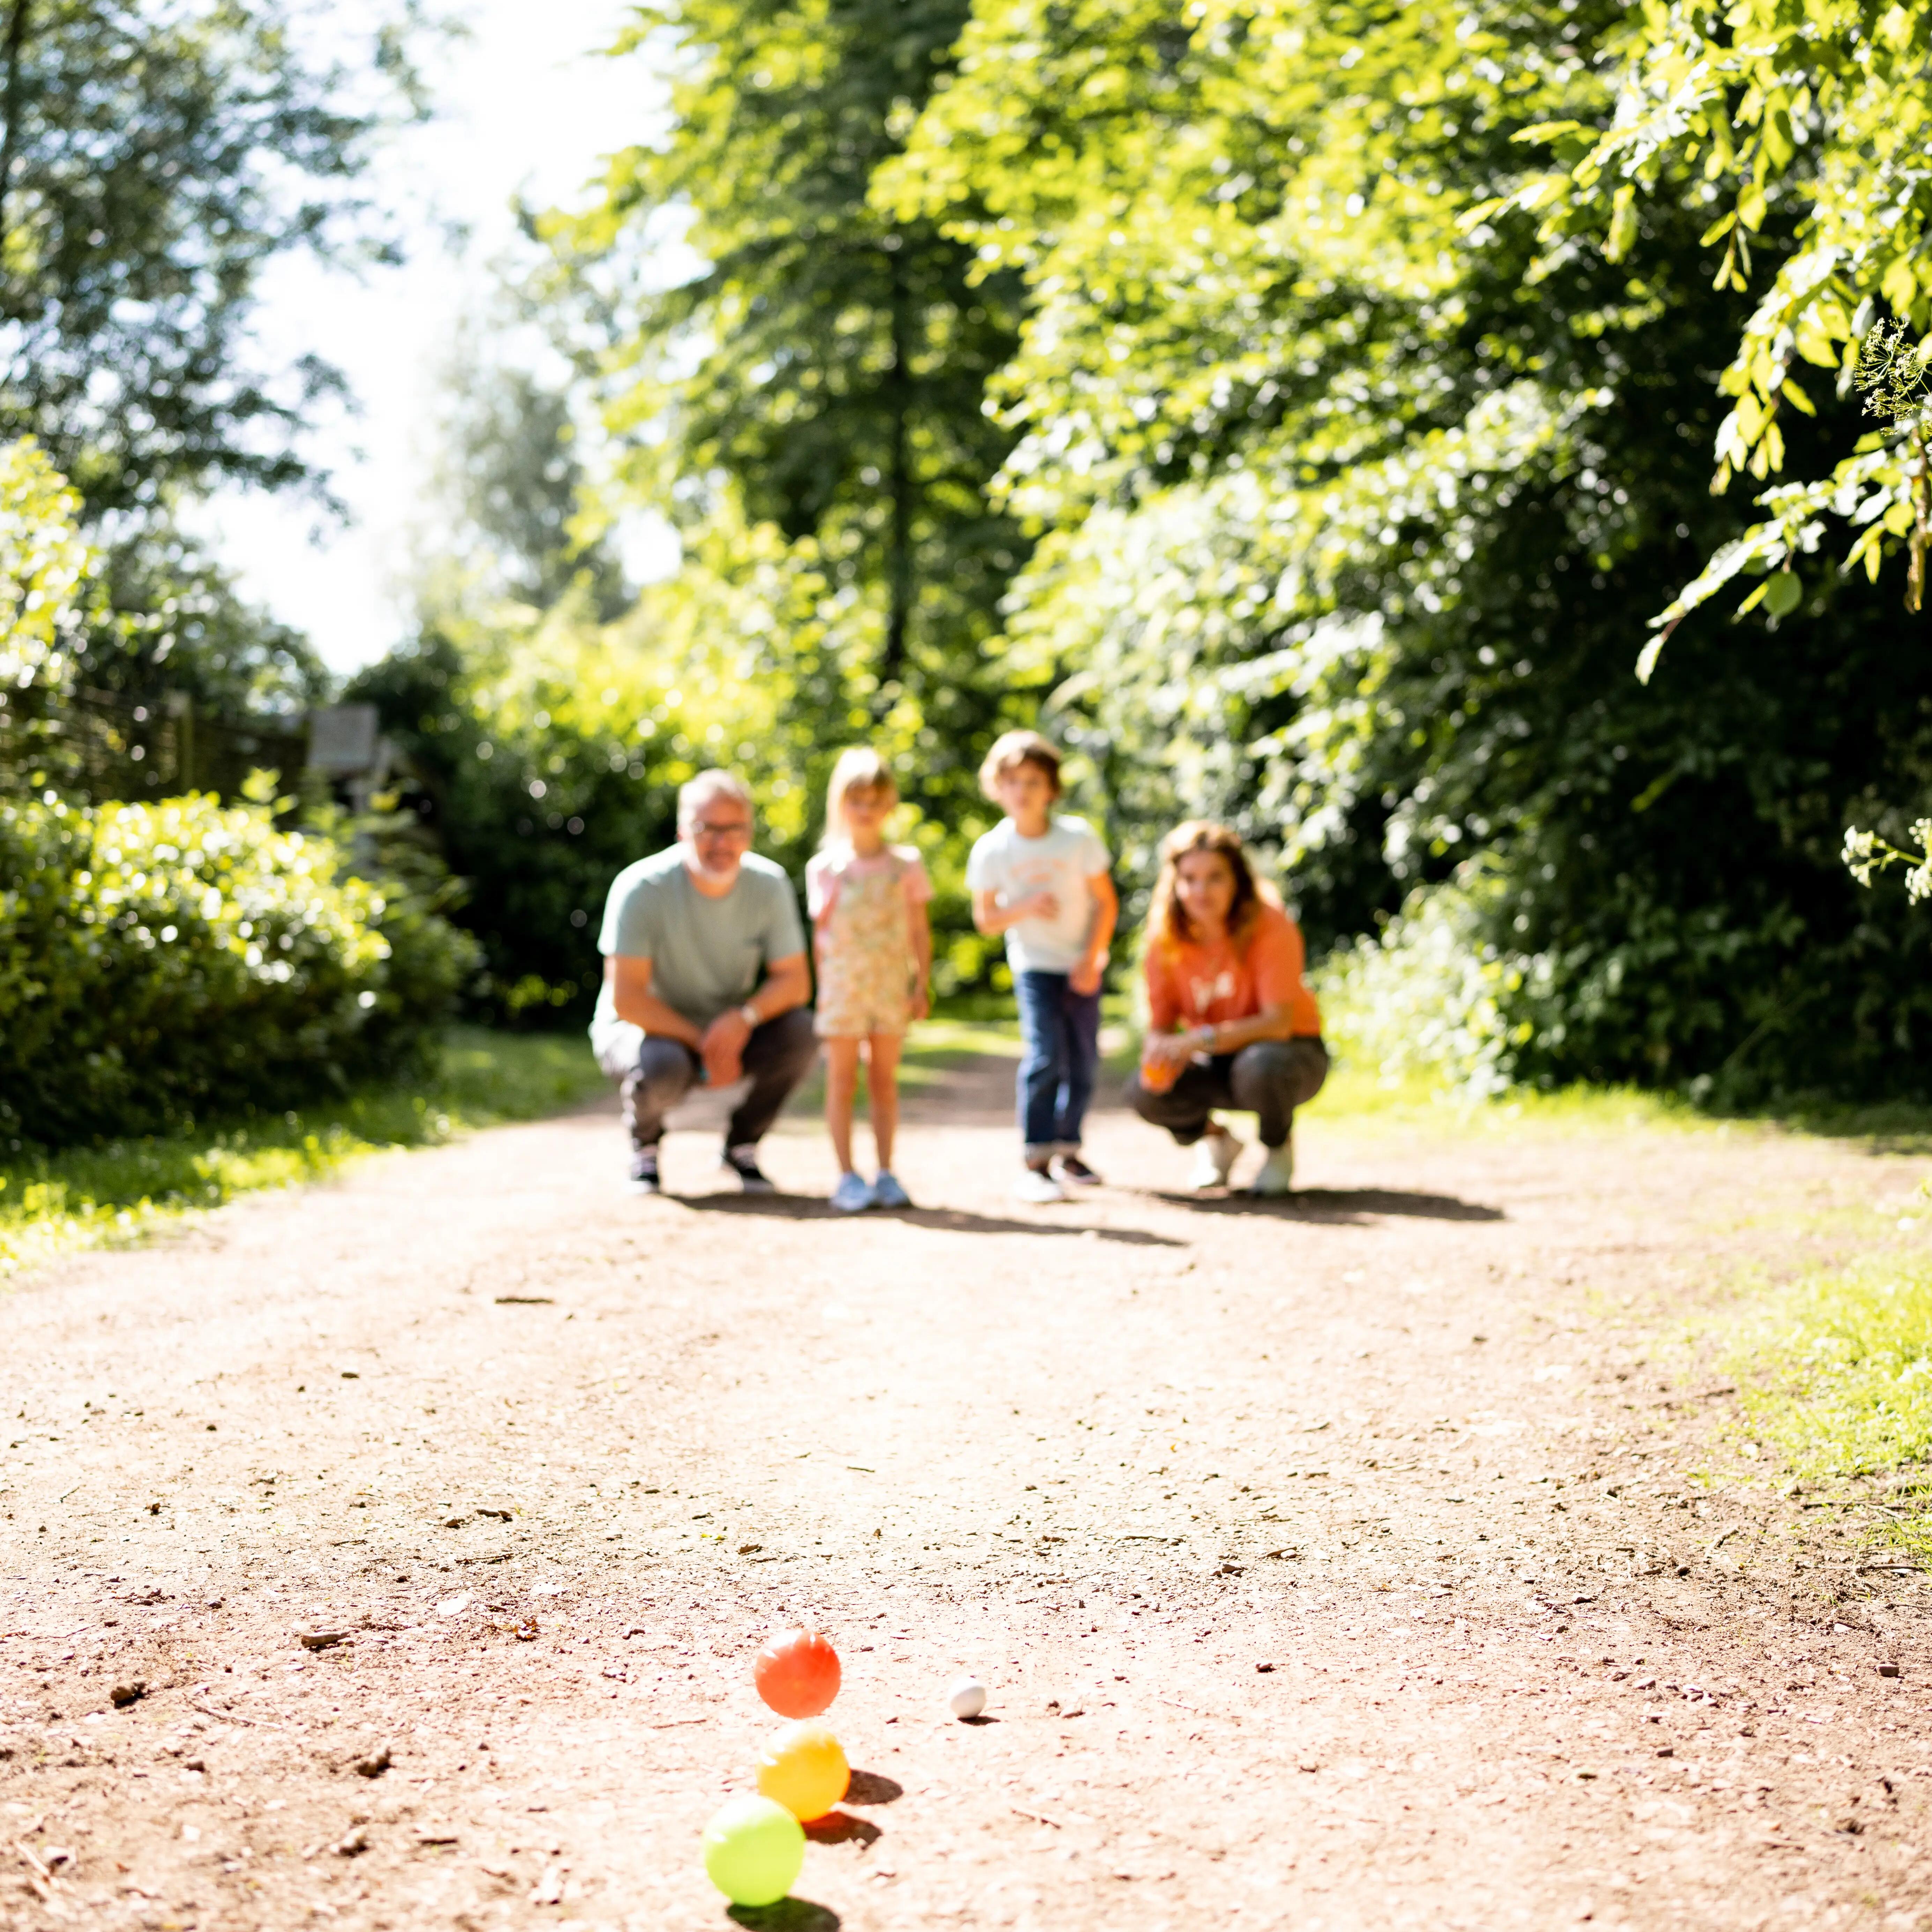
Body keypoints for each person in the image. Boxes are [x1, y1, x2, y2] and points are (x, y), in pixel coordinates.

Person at [590, 770, 815, 1195]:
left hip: (727, 1026)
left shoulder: (769, 885)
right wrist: (706, 1043)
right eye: (706, 828)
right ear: (681, 831)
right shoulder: (640, 888)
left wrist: (743, 1019)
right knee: (663, 1065)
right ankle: (645, 1149)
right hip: (645, 1030)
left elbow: (795, 982)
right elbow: (628, 999)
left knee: (802, 1032)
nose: (721, 842)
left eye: (734, 829)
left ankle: (742, 1145)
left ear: (749, 832)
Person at [1128, 820, 1327, 1196]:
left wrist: (1197, 1039)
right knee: (1143, 1090)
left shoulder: (1270, 925)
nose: (1201, 890)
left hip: (1290, 1054)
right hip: (1215, 1060)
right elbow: (1162, 1024)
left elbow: (1277, 1023)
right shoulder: (1164, 939)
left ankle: (1277, 1146)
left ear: (1236, 879)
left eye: (1214, 877)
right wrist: (1159, 1054)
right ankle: (1218, 1141)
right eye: (1189, 878)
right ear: (1174, 883)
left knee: (1262, 1064)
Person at [967, 730, 1119, 1204]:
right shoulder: (993, 849)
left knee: (1085, 1062)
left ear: (1052, 787)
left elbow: (1106, 903)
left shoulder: (1078, 838)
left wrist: (1092, 959)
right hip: (1035, 966)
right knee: (1046, 1055)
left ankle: (1069, 1149)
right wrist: (1027, 906)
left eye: (1034, 780)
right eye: (1012, 780)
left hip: (1081, 964)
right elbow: (986, 920)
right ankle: (1035, 1160)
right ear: (997, 787)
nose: (1023, 790)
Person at [806, 748, 934, 1213]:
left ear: (889, 804)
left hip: (889, 989)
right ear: (841, 804)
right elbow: (821, 938)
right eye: (856, 799)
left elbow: (919, 929)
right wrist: (823, 994)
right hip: (843, 992)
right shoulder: (825, 870)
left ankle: (885, 1172)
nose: (866, 809)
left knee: (884, 1081)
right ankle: (846, 1176)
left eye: (875, 799)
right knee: (841, 1082)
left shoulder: (906, 866)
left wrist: (920, 984)